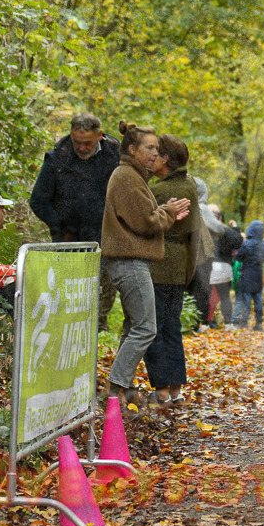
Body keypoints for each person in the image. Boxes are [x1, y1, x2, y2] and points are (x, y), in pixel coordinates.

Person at [101, 123, 189, 407]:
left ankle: (122, 387)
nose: (155, 153)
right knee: (146, 328)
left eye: (157, 148)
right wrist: (169, 212)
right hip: (129, 261)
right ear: (132, 150)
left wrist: (164, 211)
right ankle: (115, 388)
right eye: (149, 148)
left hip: (133, 261)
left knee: (133, 326)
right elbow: (146, 222)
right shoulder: (126, 176)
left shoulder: (134, 176)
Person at [29, 113, 121, 331]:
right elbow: (38, 200)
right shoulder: (57, 159)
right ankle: (65, 333)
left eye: (87, 143)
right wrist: (60, 227)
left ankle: (97, 333)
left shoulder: (114, 156)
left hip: (105, 237)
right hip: (68, 242)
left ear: (99, 136)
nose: (81, 147)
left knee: (103, 292)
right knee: (68, 295)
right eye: (77, 142)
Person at [144, 134, 208, 409]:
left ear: (166, 159)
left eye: (156, 154)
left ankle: (161, 390)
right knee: (171, 326)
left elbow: (143, 223)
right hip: (179, 265)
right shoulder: (190, 185)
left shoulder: (159, 191)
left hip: (158, 265)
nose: (151, 158)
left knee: (154, 328)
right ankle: (175, 389)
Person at [188, 177, 227, 328]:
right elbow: (219, 228)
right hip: (204, 255)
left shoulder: (183, 205)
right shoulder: (202, 208)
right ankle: (200, 322)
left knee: (189, 290)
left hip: (187, 254)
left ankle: (188, 321)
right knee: (203, 289)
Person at [208, 204, 242, 327]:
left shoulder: (205, 229)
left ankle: (208, 321)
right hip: (224, 267)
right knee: (225, 297)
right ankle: (228, 323)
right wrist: (235, 228)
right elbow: (238, 241)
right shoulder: (226, 231)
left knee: (209, 296)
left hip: (209, 266)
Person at [233, 220, 264, 329]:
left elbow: (238, 257)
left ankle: (244, 322)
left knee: (246, 298)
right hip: (258, 273)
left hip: (247, 273)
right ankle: (259, 322)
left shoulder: (246, 243)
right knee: (258, 297)